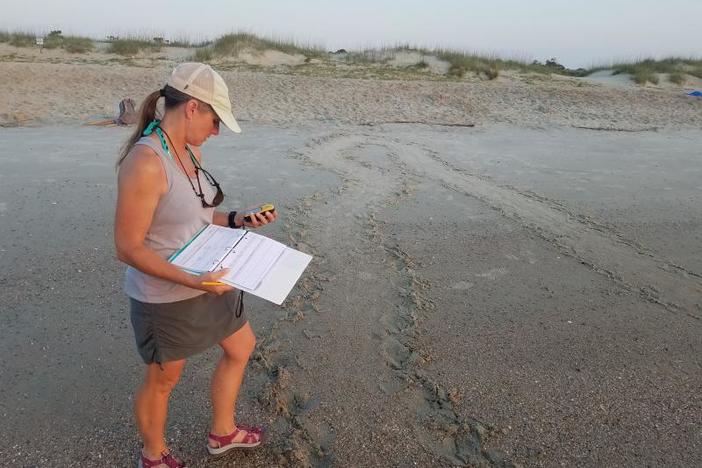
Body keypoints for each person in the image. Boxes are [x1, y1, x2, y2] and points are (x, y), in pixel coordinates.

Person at [114, 63, 277, 468]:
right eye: (215, 119)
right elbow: (128, 248)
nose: (217, 131)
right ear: (191, 108)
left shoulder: (190, 149)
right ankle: (153, 455)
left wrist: (239, 218)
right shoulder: (146, 162)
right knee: (164, 378)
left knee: (242, 346)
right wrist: (193, 280)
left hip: (210, 276)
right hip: (167, 293)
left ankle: (223, 432)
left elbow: (200, 217)